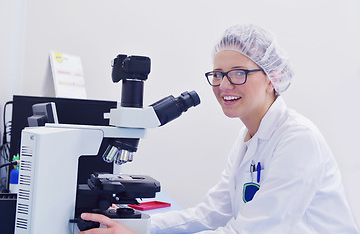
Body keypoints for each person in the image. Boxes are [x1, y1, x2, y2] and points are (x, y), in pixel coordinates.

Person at [79, 24, 360, 233]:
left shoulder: (298, 139)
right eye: (217, 74)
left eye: (239, 73)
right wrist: (138, 225)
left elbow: (249, 232)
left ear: (273, 77)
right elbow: (211, 213)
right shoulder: (248, 138)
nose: (224, 85)